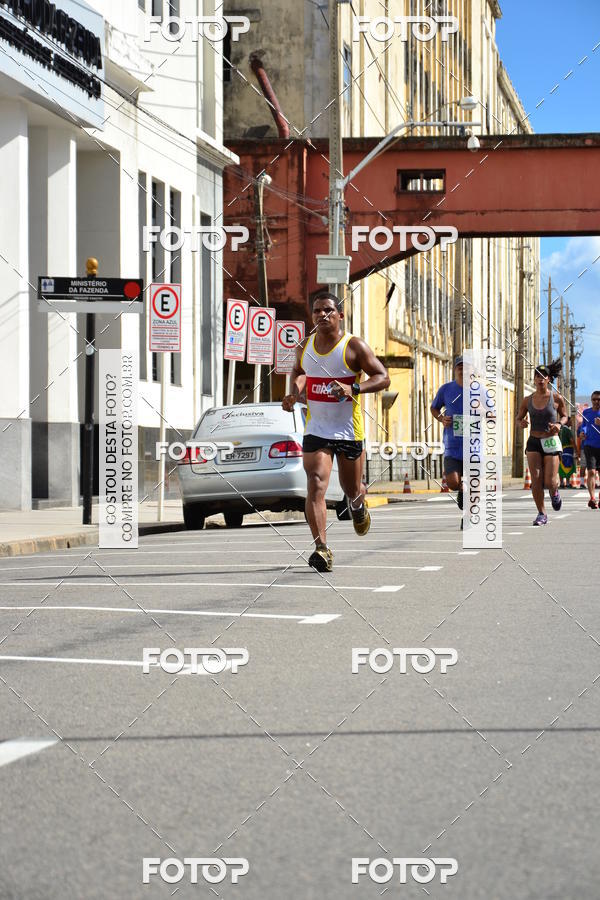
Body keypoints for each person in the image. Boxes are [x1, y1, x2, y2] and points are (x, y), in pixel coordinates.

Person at [282, 292, 390, 572]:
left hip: (348, 430)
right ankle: (322, 549)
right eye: (317, 311)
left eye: (328, 310)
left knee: (351, 489)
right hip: (317, 428)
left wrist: (353, 388)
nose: (322, 315)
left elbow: (382, 377)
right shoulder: (304, 346)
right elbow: (298, 371)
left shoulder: (354, 347)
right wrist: (294, 393)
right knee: (316, 484)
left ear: (340, 315)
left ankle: (357, 506)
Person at [516, 361, 569, 526]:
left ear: (549, 379)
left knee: (550, 482)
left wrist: (559, 425)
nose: (540, 379)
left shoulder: (556, 398)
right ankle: (542, 513)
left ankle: (555, 492)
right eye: (537, 376)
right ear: (533, 380)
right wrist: (521, 422)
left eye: (543, 376)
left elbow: (565, 416)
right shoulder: (527, 400)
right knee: (536, 479)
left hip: (551, 441)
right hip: (533, 441)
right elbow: (519, 418)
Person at [430, 357, 464, 526]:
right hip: (452, 445)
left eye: (466, 367)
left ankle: (470, 518)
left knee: (473, 485)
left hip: (474, 447)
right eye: (459, 366)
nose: (463, 369)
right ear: (455, 369)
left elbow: (491, 412)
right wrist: (442, 418)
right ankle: (461, 490)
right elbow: (434, 408)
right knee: (452, 482)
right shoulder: (446, 389)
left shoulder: (479, 390)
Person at [578, 390, 600, 509]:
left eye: (599, 399)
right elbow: (584, 427)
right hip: (589, 445)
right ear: (591, 400)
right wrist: (582, 433)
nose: (596, 401)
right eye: (594, 399)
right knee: (591, 471)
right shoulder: (586, 412)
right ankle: (592, 498)